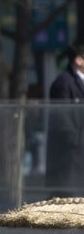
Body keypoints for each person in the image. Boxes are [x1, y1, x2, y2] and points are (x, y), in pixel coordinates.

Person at [45, 43, 84, 198]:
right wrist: (76, 141)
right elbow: (62, 119)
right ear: (78, 60)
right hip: (71, 159)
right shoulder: (63, 83)